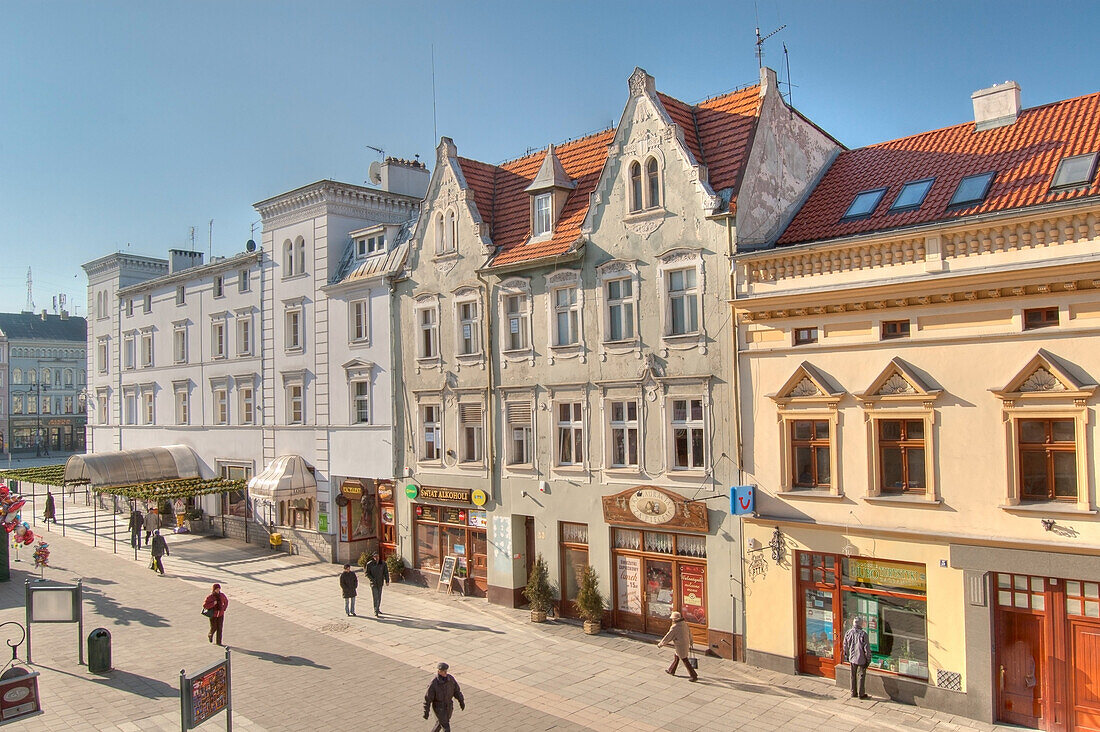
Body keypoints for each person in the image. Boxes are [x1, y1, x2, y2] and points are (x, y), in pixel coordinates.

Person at [423, 662, 464, 732]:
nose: (445, 672)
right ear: (439, 671)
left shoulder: (450, 679)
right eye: (443, 671)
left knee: (440, 724)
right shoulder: (434, 683)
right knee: (446, 727)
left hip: (449, 706)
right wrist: (426, 711)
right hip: (439, 708)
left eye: (446, 671)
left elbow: (456, 691)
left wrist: (461, 701)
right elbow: (428, 698)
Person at [657, 610, 698, 681]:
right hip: (685, 643)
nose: (672, 620)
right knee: (677, 657)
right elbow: (689, 633)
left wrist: (661, 644)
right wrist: (691, 641)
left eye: (673, 619)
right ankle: (671, 670)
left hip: (680, 645)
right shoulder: (684, 624)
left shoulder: (675, 627)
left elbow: (668, 636)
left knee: (685, 659)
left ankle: (693, 675)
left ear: (675, 619)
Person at [843, 616, 872, 699]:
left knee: (853, 675)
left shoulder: (848, 632)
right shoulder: (863, 634)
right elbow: (867, 649)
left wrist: (846, 655)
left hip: (852, 658)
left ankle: (853, 692)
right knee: (861, 676)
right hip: (861, 658)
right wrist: (868, 659)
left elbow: (845, 645)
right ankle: (861, 694)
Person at [364, 552, 390, 617]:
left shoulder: (383, 563)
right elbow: (367, 573)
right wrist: (372, 579)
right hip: (373, 583)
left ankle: (378, 608)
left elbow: (386, 572)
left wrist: (387, 580)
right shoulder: (369, 564)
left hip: (380, 583)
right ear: (373, 557)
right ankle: (376, 610)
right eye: (375, 557)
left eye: (377, 556)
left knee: (379, 596)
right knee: (375, 597)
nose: (376, 558)